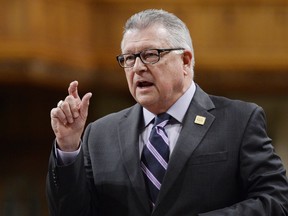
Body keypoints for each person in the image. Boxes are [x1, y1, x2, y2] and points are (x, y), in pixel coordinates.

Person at [47, 9, 288, 216]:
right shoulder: (99, 134)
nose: (138, 68)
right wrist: (68, 147)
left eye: (151, 55)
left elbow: (276, 201)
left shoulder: (239, 121)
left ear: (185, 61)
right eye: (129, 58)